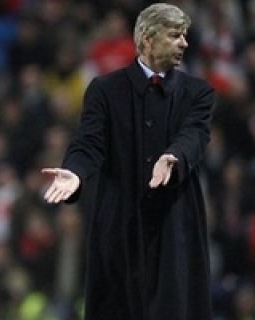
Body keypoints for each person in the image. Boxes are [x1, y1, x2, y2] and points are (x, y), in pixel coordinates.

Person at [42, 3, 215, 320]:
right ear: (148, 38)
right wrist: (76, 173)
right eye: (175, 35)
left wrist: (172, 157)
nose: (184, 43)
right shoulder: (105, 90)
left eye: (185, 35)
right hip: (119, 226)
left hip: (174, 225)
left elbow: (196, 134)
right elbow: (89, 142)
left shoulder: (197, 92)